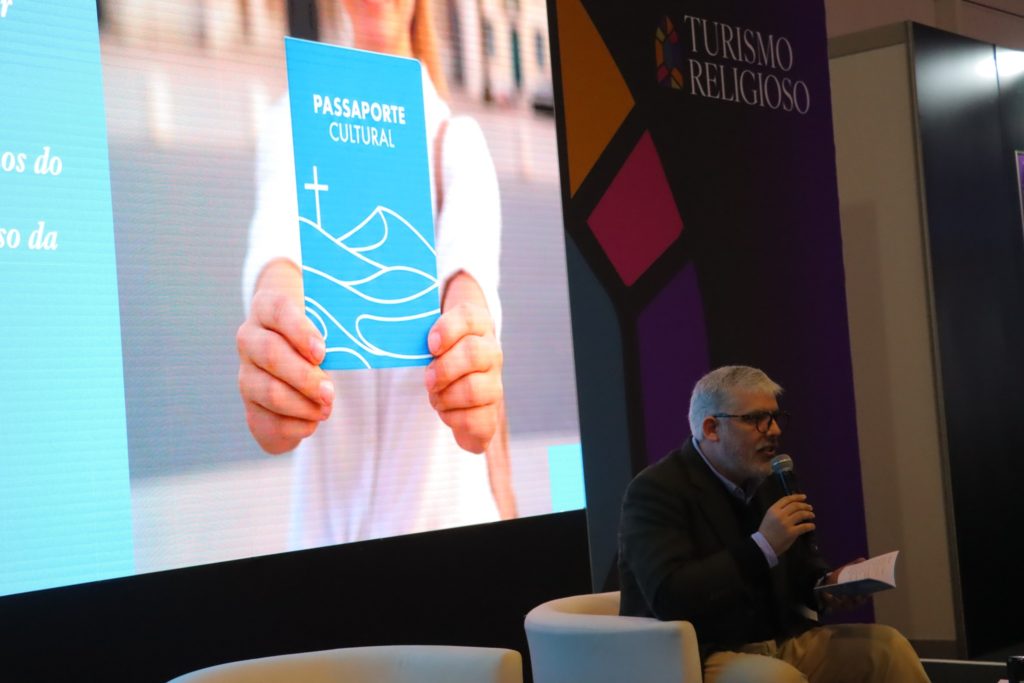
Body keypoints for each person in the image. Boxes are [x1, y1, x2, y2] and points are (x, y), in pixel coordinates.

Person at [236, 0, 515, 549]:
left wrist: (474, 351)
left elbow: (470, 280)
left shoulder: (459, 143)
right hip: (327, 554)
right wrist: (274, 337)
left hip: (450, 541)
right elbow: (276, 252)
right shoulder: (290, 124)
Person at [618, 366, 930, 683]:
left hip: (777, 641)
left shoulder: (769, 480)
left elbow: (799, 570)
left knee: (887, 649)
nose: (774, 430)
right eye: (756, 419)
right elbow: (670, 596)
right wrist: (762, 546)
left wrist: (827, 587)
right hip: (698, 654)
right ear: (712, 428)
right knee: (776, 678)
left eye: (775, 417)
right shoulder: (657, 490)